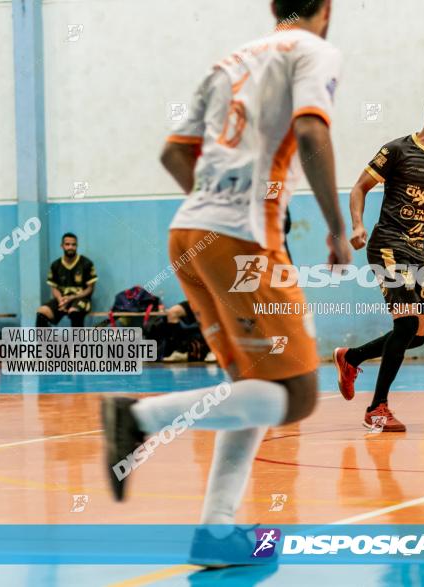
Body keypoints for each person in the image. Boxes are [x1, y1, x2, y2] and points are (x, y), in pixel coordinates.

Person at [101, 0, 350, 566]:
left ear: (273, 5)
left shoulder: (229, 61)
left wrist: (217, 208)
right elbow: (311, 130)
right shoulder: (312, 50)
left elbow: (172, 153)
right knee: (298, 396)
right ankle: (139, 418)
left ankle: (216, 530)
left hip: (189, 233)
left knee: (254, 389)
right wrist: (336, 229)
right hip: (242, 241)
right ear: (327, 9)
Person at [332, 88, 424, 431]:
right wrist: (356, 225)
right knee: (407, 324)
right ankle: (377, 408)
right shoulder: (397, 150)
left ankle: (350, 358)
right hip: (387, 246)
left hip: (418, 254)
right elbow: (359, 188)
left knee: (418, 335)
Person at [36, 233, 97, 327]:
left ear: (77, 246)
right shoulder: (55, 265)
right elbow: (54, 287)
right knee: (42, 312)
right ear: (62, 246)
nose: (70, 247)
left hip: (80, 299)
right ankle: (45, 341)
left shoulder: (86, 263)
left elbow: (90, 288)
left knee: (74, 312)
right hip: (62, 299)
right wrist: (60, 299)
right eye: (67, 244)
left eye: (73, 244)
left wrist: (71, 298)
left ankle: (77, 341)